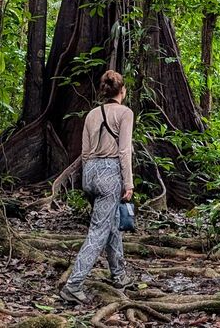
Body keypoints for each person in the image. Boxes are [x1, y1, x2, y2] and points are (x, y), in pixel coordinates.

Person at [60, 70, 135, 304]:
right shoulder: (125, 113)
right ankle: (73, 285)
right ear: (122, 91)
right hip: (110, 174)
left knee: (111, 224)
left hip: (90, 173)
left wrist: (88, 177)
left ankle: (119, 275)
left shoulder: (92, 114)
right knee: (98, 231)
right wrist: (128, 182)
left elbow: (84, 150)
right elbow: (124, 151)